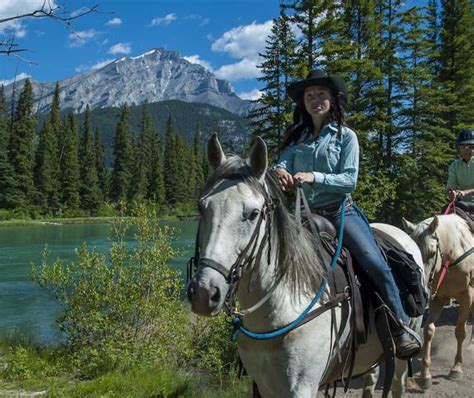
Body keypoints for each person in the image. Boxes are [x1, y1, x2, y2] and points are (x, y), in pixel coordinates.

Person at [274, 69, 421, 360]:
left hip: (341, 213)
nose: (315, 100)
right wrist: (279, 172)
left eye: (321, 95)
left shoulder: (346, 137)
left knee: (374, 263)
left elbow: (349, 180)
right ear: (303, 102)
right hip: (305, 214)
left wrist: (314, 176)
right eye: (309, 95)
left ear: (332, 101)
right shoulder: (297, 137)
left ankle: (401, 325)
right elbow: (281, 163)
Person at [447, 129, 474, 214]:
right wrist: (452, 192)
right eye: (463, 147)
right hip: (462, 204)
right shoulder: (454, 165)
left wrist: (465, 192)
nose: (466, 150)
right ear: (459, 148)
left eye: (470, 147)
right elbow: (451, 185)